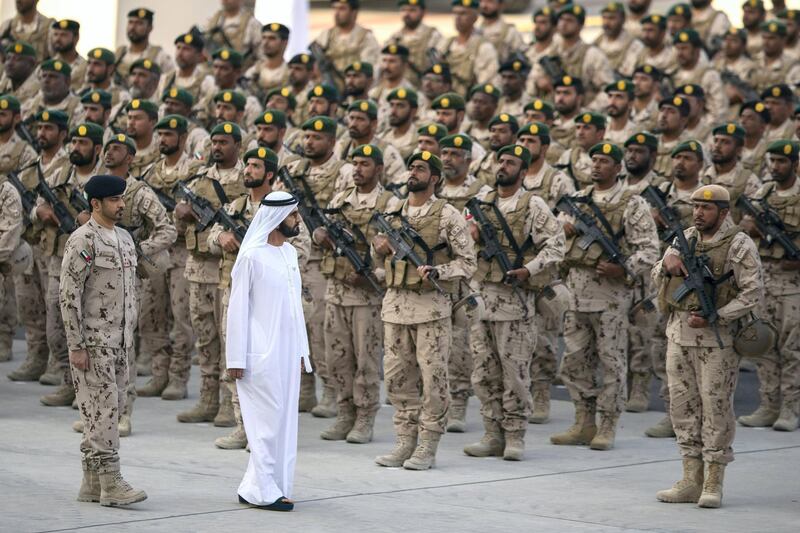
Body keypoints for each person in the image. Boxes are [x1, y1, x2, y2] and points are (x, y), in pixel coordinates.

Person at [652, 184, 762, 508]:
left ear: (724, 212)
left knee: (716, 408)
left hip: (717, 341)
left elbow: (753, 293)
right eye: (696, 206)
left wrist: (719, 316)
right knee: (682, 407)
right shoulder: (684, 239)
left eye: (706, 208)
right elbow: (656, 275)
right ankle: (690, 478)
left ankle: (713, 481)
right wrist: (667, 263)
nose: (698, 212)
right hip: (679, 336)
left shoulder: (739, 244)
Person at [373, 150, 477, 470]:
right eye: (411, 168)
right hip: (395, 307)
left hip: (431, 308)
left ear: (434, 178)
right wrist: (379, 250)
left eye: (420, 169)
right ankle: (405, 441)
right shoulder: (394, 211)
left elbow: (468, 262)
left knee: (433, 380)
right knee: (397, 378)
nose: (413, 173)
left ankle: (427, 445)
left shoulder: (447, 215)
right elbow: (381, 262)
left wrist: (438, 272)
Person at [464, 144, 565, 461]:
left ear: (524, 172)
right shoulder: (481, 202)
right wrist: (470, 234)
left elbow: (556, 246)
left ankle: (515, 434)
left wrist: (528, 269)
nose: (503, 166)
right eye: (501, 161)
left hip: (516, 302)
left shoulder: (532, 204)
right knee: (484, 372)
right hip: (483, 301)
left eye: (511, 163)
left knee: (515, 373)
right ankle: (492, 433)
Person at [60, 174, 146, 507]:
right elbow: (68, 295)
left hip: (122, 342)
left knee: (110, 410)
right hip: (94, 343)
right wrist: (76, 345)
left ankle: (91, 483)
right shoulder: (83, 240)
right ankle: (112, 483)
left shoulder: (123, 238)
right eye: (114, 200)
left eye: (122, 198)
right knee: (104, 413)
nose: (121, 204)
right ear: (95, 204)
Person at [227, 190, 309, 512]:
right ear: (277, 219)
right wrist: (235, 357)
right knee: (265, 423)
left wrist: (302, 352)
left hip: (288, 355)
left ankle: (258, 486)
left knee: (284, 422)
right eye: (293, 215)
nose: (298, 220)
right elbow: (237, 309)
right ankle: (265, 491)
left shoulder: (289, 254)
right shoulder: (251, 257)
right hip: (258, 354)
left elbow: (295, 308)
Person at [737, 140, 800, 432]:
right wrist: (750, 228)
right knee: (764, 346)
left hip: (794, 284)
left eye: (782, 162)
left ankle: (790, 408)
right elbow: (745, 229)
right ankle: (768, 405)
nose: (775, 167)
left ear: (795, 164)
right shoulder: (763, 193)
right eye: (772, 161)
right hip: (764, 281)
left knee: (792, 350)